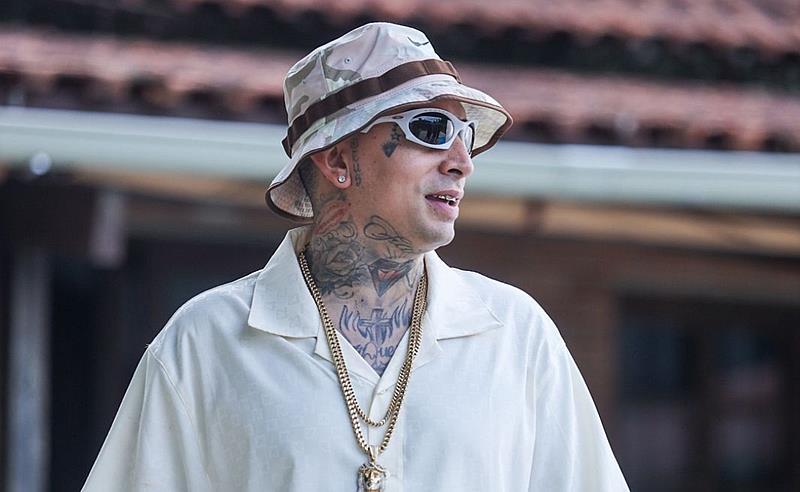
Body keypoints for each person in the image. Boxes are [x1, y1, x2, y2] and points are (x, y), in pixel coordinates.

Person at [82, 22, 629, 491]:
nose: (462, 161)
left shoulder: (516, 336)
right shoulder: (205, 344)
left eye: (466, 135)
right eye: (431, 129)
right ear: (339, 160)